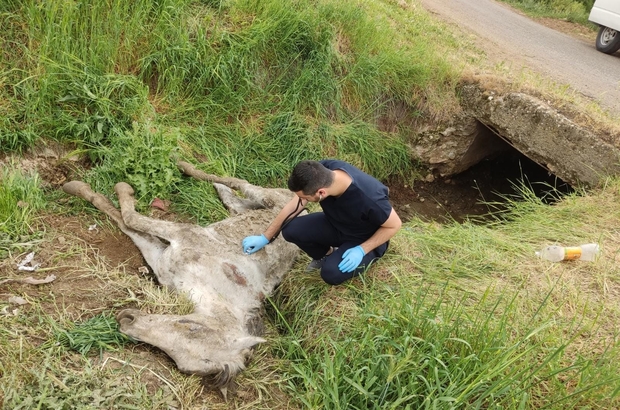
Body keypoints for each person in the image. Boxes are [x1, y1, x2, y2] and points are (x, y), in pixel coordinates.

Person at [242, 159, 402, 285]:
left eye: (305, 198)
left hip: (363, 238)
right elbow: (295, 205)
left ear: (321, 193)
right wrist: (266, 237)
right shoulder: (323, 170)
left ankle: (360, 256)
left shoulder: (369, 197)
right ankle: (327, 254)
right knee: (291, 230)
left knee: (330, 273)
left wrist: (361, 249)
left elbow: (395, 225)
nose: (302, 200)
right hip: (336, 223)